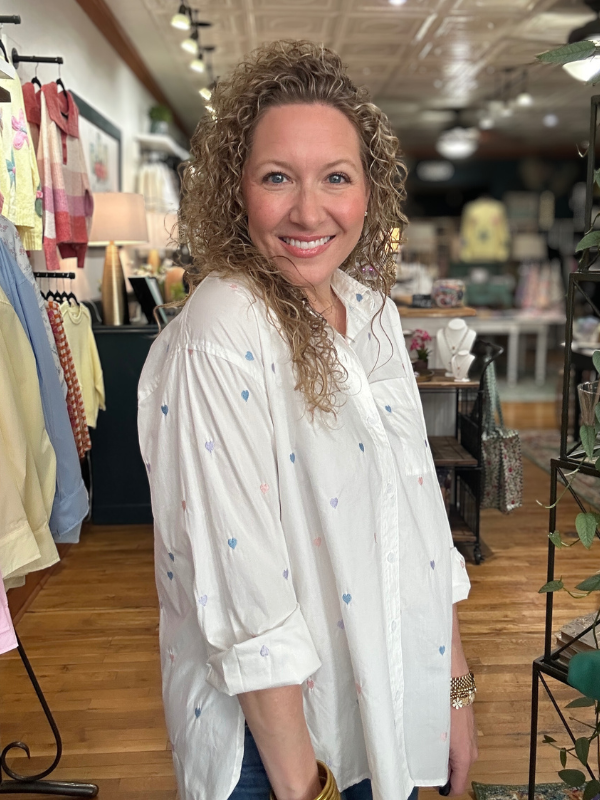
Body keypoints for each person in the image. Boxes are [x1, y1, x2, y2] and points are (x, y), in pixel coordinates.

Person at [138, 39, 477, 800]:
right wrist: (305, 788)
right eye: (277, 178)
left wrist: (453, 695)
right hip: (279, 749)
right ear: (237, 190)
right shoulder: (223, 330)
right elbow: (241, 588)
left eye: (335, 177)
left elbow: (420, 524)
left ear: (369, 191)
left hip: (378, 703)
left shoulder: (372, 313)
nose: (308, 210)